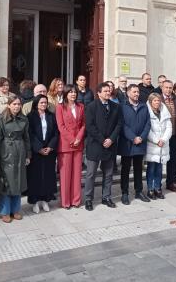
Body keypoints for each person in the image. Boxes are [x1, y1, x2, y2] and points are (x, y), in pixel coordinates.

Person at [84, 82, 123, 211]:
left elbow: (119, 124)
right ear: (99, 93)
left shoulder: (116, 106)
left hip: (110, 146)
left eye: (109, 91)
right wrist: (102, 140)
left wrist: (111, 139)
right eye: (105, 91)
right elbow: (90, 126)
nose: (108, 93)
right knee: (91, 174)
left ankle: (106, 197)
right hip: (95, 144)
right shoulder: (91, 106)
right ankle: (88, 199)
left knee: (108, 173)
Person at [0, 96, 31, 223]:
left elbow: (27, 138)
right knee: (7, 182)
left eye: (18, 104)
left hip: (20, 150)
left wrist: (28, 155)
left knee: (18, 180)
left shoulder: (24, 119)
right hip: (6, 150)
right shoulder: (2, 119)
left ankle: (15, 210)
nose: (17, 106)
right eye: (14, 104)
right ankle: (5, 211)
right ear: (9, 105)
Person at [118, 84, 151, 205]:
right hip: (127, 143)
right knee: (125, 169)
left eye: (137, 92)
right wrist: (133, 137)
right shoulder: (122, 106)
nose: (137, 94)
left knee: (138, 168)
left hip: (140, 143)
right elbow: (122, 125)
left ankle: (139, 191)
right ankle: (125, 193)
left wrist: (141, 137)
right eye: (134, 92)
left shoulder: (144, 106)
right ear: (128, 93)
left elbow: (148, 123)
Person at [26, 95, 58, 213]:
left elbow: (56, 133)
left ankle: (45, 200)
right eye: (41, 103)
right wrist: (39, 148)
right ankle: (35, 201)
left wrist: (50, 147)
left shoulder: (51, 116)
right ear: (36, 104)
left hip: (49, 151)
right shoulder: (30, 116)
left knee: (48, 176)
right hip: (36, 152)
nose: (44, 105)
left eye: (45, 103)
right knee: (35, 177)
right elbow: (30, 134)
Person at [56, 85, 85, 209]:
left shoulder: (81, 106)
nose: (73, 94)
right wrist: (73, 139)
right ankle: (66, 202)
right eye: (71, 92)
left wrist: (78, 138)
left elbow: (83, 124)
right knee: (65, 175)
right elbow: (60, 126)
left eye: (75, 92)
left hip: (78, 144)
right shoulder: (60, 107)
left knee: (77, 174)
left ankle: (76, 200)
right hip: (66, 144)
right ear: (66, 94)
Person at [145, 93, 172, 199]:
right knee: (151, 168)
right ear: (151, 101)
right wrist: (156, 141)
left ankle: (158, 188)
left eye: (158, 100)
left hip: (163, 145)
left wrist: (164, 139)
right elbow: (147, 129)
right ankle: (150, 189)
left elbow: (169, 128)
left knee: (159, 169)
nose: (157, 102)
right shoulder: (147, 112)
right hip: (153, 145)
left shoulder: (164, 112)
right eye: (155, 101)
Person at [161, 80, 176, 193]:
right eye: (166, 87)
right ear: (162, 88)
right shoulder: (158, 98)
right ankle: (156, 185)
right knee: (159, 160)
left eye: (170, 88)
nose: (168, 90)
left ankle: (170, 183)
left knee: (172, 160)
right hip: (162, 135)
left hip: (174, 135)